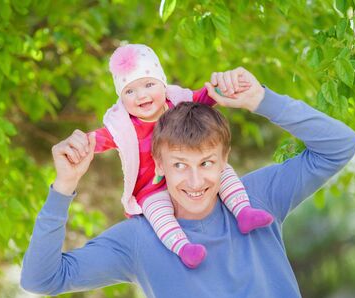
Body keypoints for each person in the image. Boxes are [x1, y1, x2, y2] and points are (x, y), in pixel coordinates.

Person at [20, 67, 355, 298]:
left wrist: (261, 100)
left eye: (207, 163)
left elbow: (339, 146)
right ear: (160, 165)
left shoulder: (258, 196)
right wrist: (63, 187)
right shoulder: (140, 238)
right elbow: (42, 278)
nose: (195, 181)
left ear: (225, 160)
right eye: (180, 165)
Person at [67, 44, 273, 268]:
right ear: (121, 98)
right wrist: (78, 144)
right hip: (151, 186)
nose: (141, 95)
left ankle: (243, 211)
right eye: (130, 91)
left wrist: (224, 88)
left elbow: (205, 97)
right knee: (158, 211)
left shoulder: (179, 103)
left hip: (188, 170)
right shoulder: (124, 128)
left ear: (162, 84)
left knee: (223, 171)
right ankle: (184, 248)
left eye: (148, 84)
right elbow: (96, 140)